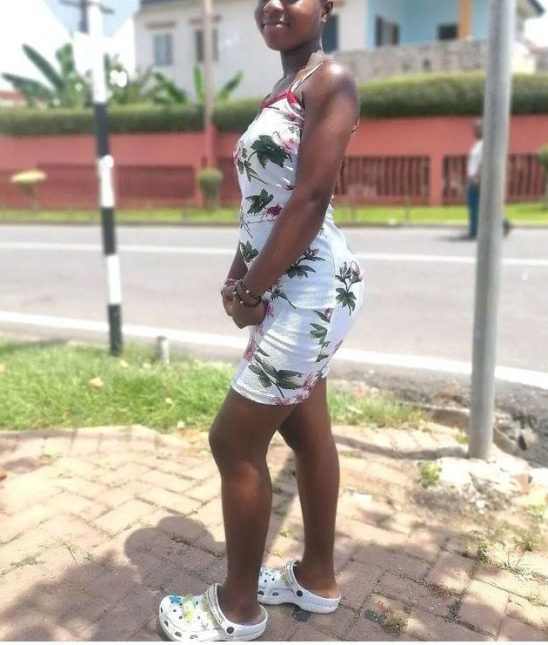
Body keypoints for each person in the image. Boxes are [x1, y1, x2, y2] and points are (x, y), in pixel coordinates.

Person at [158, 0, 364, 641]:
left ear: (326, 7)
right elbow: (262, 207)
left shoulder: (331, 82)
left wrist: (254, 286)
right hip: (285, 285)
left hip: (310, 291)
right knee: (307, 433)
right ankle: (317, 579)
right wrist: (237, 278)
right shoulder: (284, 87)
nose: (273, 4)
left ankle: (237, 609)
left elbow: (311, 198)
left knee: (234, 442)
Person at [466, 118, 512, 239]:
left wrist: (478, 176)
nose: (474, 131)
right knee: (485, 205)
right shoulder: (480, 144)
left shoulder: (485, 144)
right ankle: (503, 223)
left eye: (477, 128)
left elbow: (484, 161)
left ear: (484, 129)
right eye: (474, 128)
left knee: (475, 205)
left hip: (478, 179)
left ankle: (475, 231)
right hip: (475, 178)